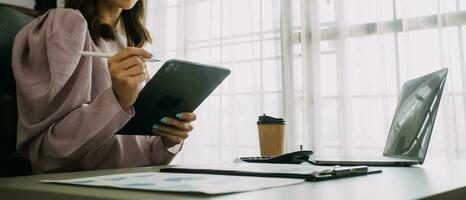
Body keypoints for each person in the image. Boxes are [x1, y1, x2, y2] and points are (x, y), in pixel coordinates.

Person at [11, 0, 196, 174]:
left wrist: (168, 140)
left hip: (134, 183)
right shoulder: (66, 24)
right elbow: (45, 153)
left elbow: (142, 156)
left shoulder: (125, 44)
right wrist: (118, 100)